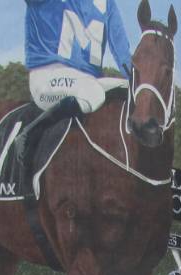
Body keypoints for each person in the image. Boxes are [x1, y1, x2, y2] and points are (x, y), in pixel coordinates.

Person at [14, 0, 133, 194]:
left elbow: (122, 52)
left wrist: (137, 81)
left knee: (128, 88)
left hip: (86, 81)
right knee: (93, 93)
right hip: (47, 75)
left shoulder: (107, 4)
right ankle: (30, 135)